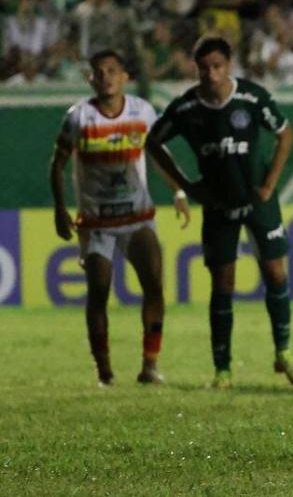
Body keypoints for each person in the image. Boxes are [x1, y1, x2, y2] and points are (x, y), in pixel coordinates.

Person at [145, 36, 293, 389]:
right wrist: (186, 185)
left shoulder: (251, 97)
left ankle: (284, 353)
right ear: (196, 69)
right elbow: (152, 141)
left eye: (217, 67)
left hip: (258, 200)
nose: (211, 74)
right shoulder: (186, 108)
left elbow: (285, 133)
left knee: (276, 273)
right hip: (218, 204)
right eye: (204, 68)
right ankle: (223, 369)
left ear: (229, 66)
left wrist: (269, 184)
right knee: (223, 283)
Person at [50, 49, 190, 386]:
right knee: (98, 291)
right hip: (96, 222)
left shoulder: (142, 112)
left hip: (137, 216)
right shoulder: (79, 117)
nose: (106, 77)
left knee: (154, 285)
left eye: (113, 70)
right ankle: (105, 371)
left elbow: (158, 154)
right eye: (99, 72)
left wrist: (178, 191)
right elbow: (58, 164)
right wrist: (59, 208)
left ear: (124, 76)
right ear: (91, 79)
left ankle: (150, 365)